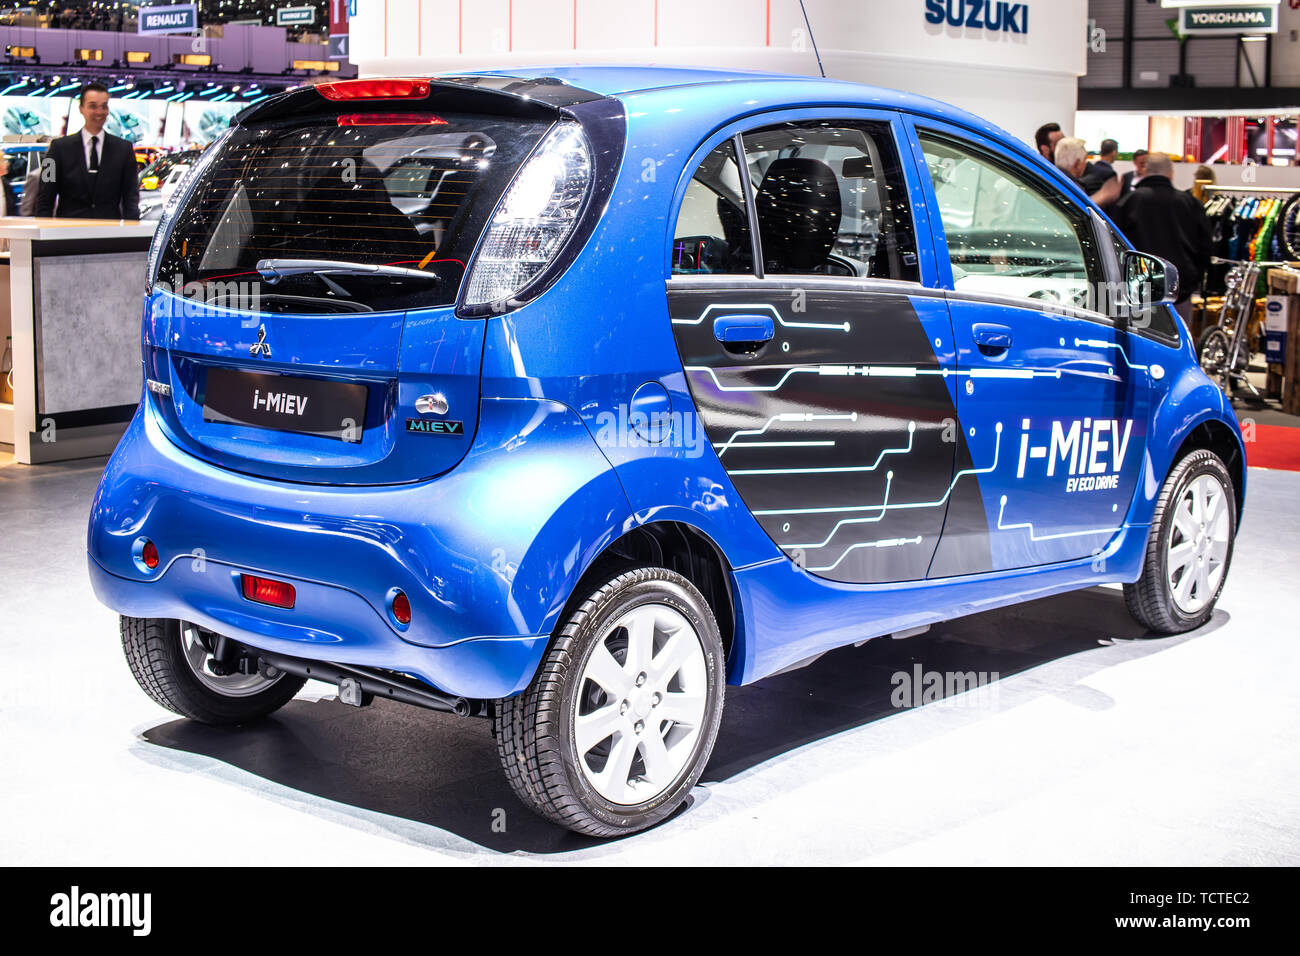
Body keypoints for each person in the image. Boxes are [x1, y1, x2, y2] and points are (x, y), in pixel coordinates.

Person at [1112, 152, 1212, 327]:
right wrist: (1194, 279)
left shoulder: (1129, 202)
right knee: (1178, 339)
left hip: (1139, 290)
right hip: (1180, 290)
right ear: (1171, 173)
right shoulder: (1190, 203)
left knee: (1141, 342)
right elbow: (1205, 247)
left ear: (1144, 172)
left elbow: (1115, 245)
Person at [35, 82, 139, 219]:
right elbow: (45, 197)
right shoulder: (57, 148)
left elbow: (131, 198)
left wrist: (131, 233)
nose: (99, 112)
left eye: (104, 106)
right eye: (92, 106)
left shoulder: (124, 149)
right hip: (67, 232)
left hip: (110, 232)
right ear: (81, 108)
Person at [1055, 137, 1121, 207]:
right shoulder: (1074, 187)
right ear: (1077, 164)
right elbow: (1074, 209)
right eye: (1084, 160)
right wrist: (1102, 196)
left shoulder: (1049, 179)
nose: (1086, 164)